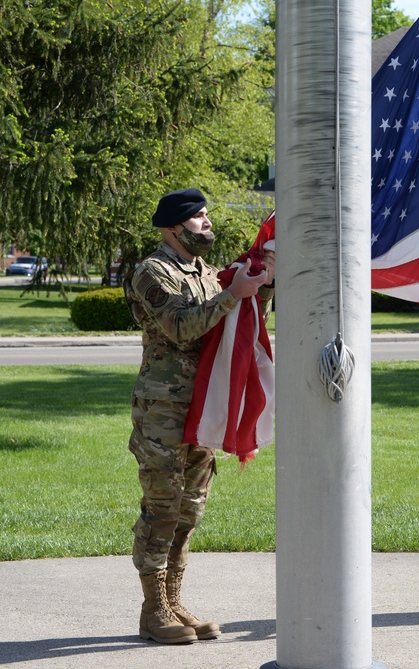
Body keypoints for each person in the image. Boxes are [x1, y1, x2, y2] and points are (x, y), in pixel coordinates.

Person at [124, 188, 275, 644]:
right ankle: (154, 611)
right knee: (162, 508)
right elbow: (181, 326)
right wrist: (232, 294)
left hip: (202, 407)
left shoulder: (207, 273)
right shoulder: (153, 272)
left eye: (207, 216)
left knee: (189, 509)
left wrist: (257, 289)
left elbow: (229, 323)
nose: (207, 224)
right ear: (174, 226)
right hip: (165, 409)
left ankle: (172, 600)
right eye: (199, 218)